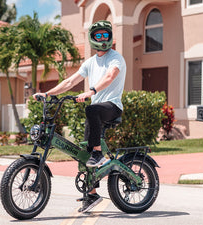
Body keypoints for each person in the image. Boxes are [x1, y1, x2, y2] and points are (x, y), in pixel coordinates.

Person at [33, 20, 126, 213]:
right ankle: (91, 195)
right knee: (83, 153)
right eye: (99, 35)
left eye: (105, 35)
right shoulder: (90, 62)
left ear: (110, 37)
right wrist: (48, 94)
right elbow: (70, 81)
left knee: (91, 110)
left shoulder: (116, 58)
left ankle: (99, 155)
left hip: (112, 107)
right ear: (93, 38)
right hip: (96, 109)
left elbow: (110, 77)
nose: (102, 39)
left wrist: (91, 91)